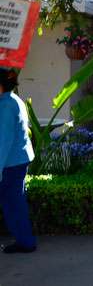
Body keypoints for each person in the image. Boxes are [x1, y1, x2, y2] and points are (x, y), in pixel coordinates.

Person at [0, 68, 36, 253]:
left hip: (10, 163)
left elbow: (3, 141)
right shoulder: (14, 100)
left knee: (13, 201)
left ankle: (25, 241)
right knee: (14, 201)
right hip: (19, 160)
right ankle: (25, 241)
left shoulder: (5, 106)